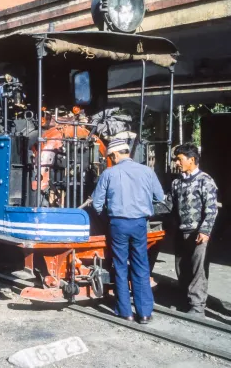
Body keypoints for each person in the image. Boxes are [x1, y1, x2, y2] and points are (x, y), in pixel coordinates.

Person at [91, 139, 164, 324]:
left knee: (120, 265)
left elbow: (97, 204)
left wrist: (108, 219)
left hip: (118, 224)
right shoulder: (147, 171)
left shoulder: (109, 173)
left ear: (115, 155)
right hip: (140, 223)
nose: (110, 160)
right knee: (141, 265)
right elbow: (160, 197)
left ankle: (125, 312)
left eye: (110, 157)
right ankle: (145, 313)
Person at [166, 143, 218, 316]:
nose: (177, 163)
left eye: (179, 159)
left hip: (198, 234)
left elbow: (211, 209)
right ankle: (185, 301)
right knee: (182, 267)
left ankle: (197, 307)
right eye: (176, 160)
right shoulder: (176, 183)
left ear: (192, 160)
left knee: (198, 270)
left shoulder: (206, 181)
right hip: (181, 233)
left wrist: (205, 231)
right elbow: (169, 206)